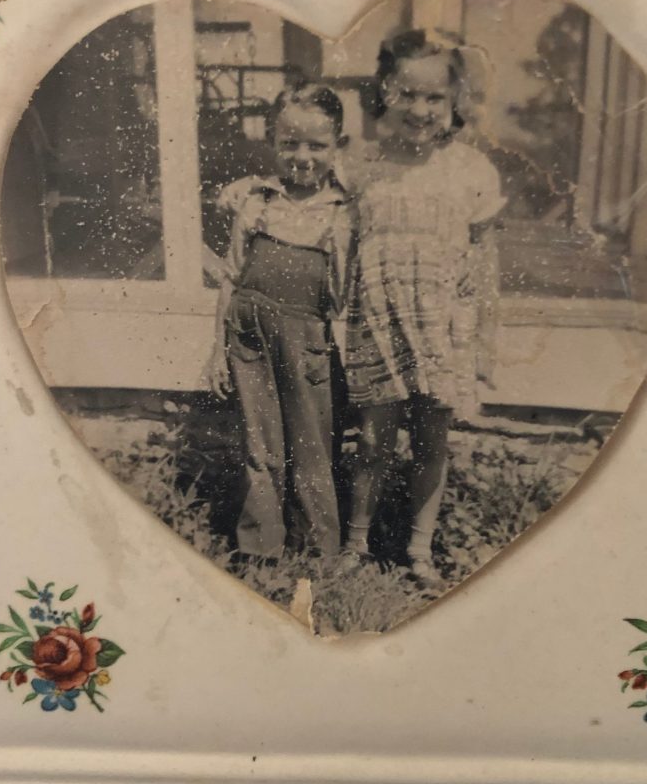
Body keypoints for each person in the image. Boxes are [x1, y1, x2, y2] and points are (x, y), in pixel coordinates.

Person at [344, 30, 505, 579]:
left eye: (434, 98)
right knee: (372, 440)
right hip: (379, 320)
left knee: (432, 440)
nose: (420, 109)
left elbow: (485, 260)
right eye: (407, 94)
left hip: (444, 326)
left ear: (454, 99)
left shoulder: (470, 171)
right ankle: (356, 546)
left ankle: (419, 551)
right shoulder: (361, 165)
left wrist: (484, 336)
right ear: (386, 90)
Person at [207, 85, 355, 559]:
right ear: (273, 141)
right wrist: (216, 351)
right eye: (290, 143)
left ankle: (317, 551)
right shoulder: (257, 201)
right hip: (248, 338)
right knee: (260, 446)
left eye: (317, 145)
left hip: (307, 340)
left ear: (337, 146)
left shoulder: (342, 213)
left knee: (313, 447)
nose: (303, 156)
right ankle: (260, 549)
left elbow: (343, 295)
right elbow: (230, 278)